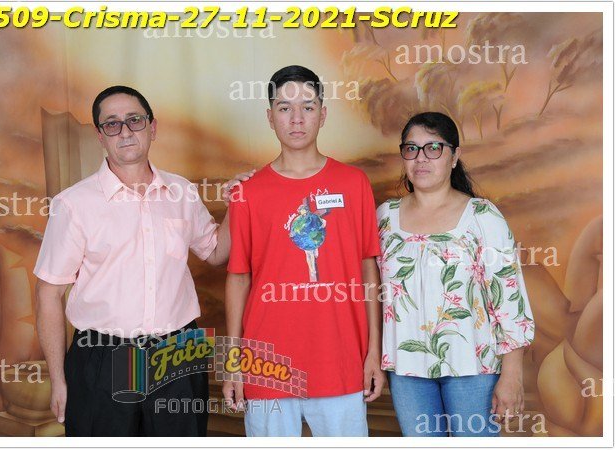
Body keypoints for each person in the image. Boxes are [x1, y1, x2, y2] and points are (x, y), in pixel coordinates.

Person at [34, 85, 231, 436]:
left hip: (177, 352)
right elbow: (48, 293)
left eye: (134, 120)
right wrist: (58, 379)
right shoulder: (74, 204)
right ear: (100, 135)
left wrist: (238, 206)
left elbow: (216, 253)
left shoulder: (182, 192)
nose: (125, 131)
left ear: (152, 128)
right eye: (112, 124)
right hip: (103, 356)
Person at [222, 65, 386, 437]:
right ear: (270, 117)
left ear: (323, 114)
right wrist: (233, 361)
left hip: (341, 361)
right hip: (267, 367)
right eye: (285, 108)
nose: (297, 118)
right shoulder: (248, 192)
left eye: (308, 107)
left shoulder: (354, 183)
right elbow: (238, 278)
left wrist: (373, 352)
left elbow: (368, 269)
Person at [376, 112, 535, 437]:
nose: (421, 158)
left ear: (454, 156)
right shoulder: (385, 218)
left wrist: (512, 374)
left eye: (433, 148)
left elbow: (508, 298)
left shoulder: (482, 216)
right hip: (407, 369)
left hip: (472, 366)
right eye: (412, 148)